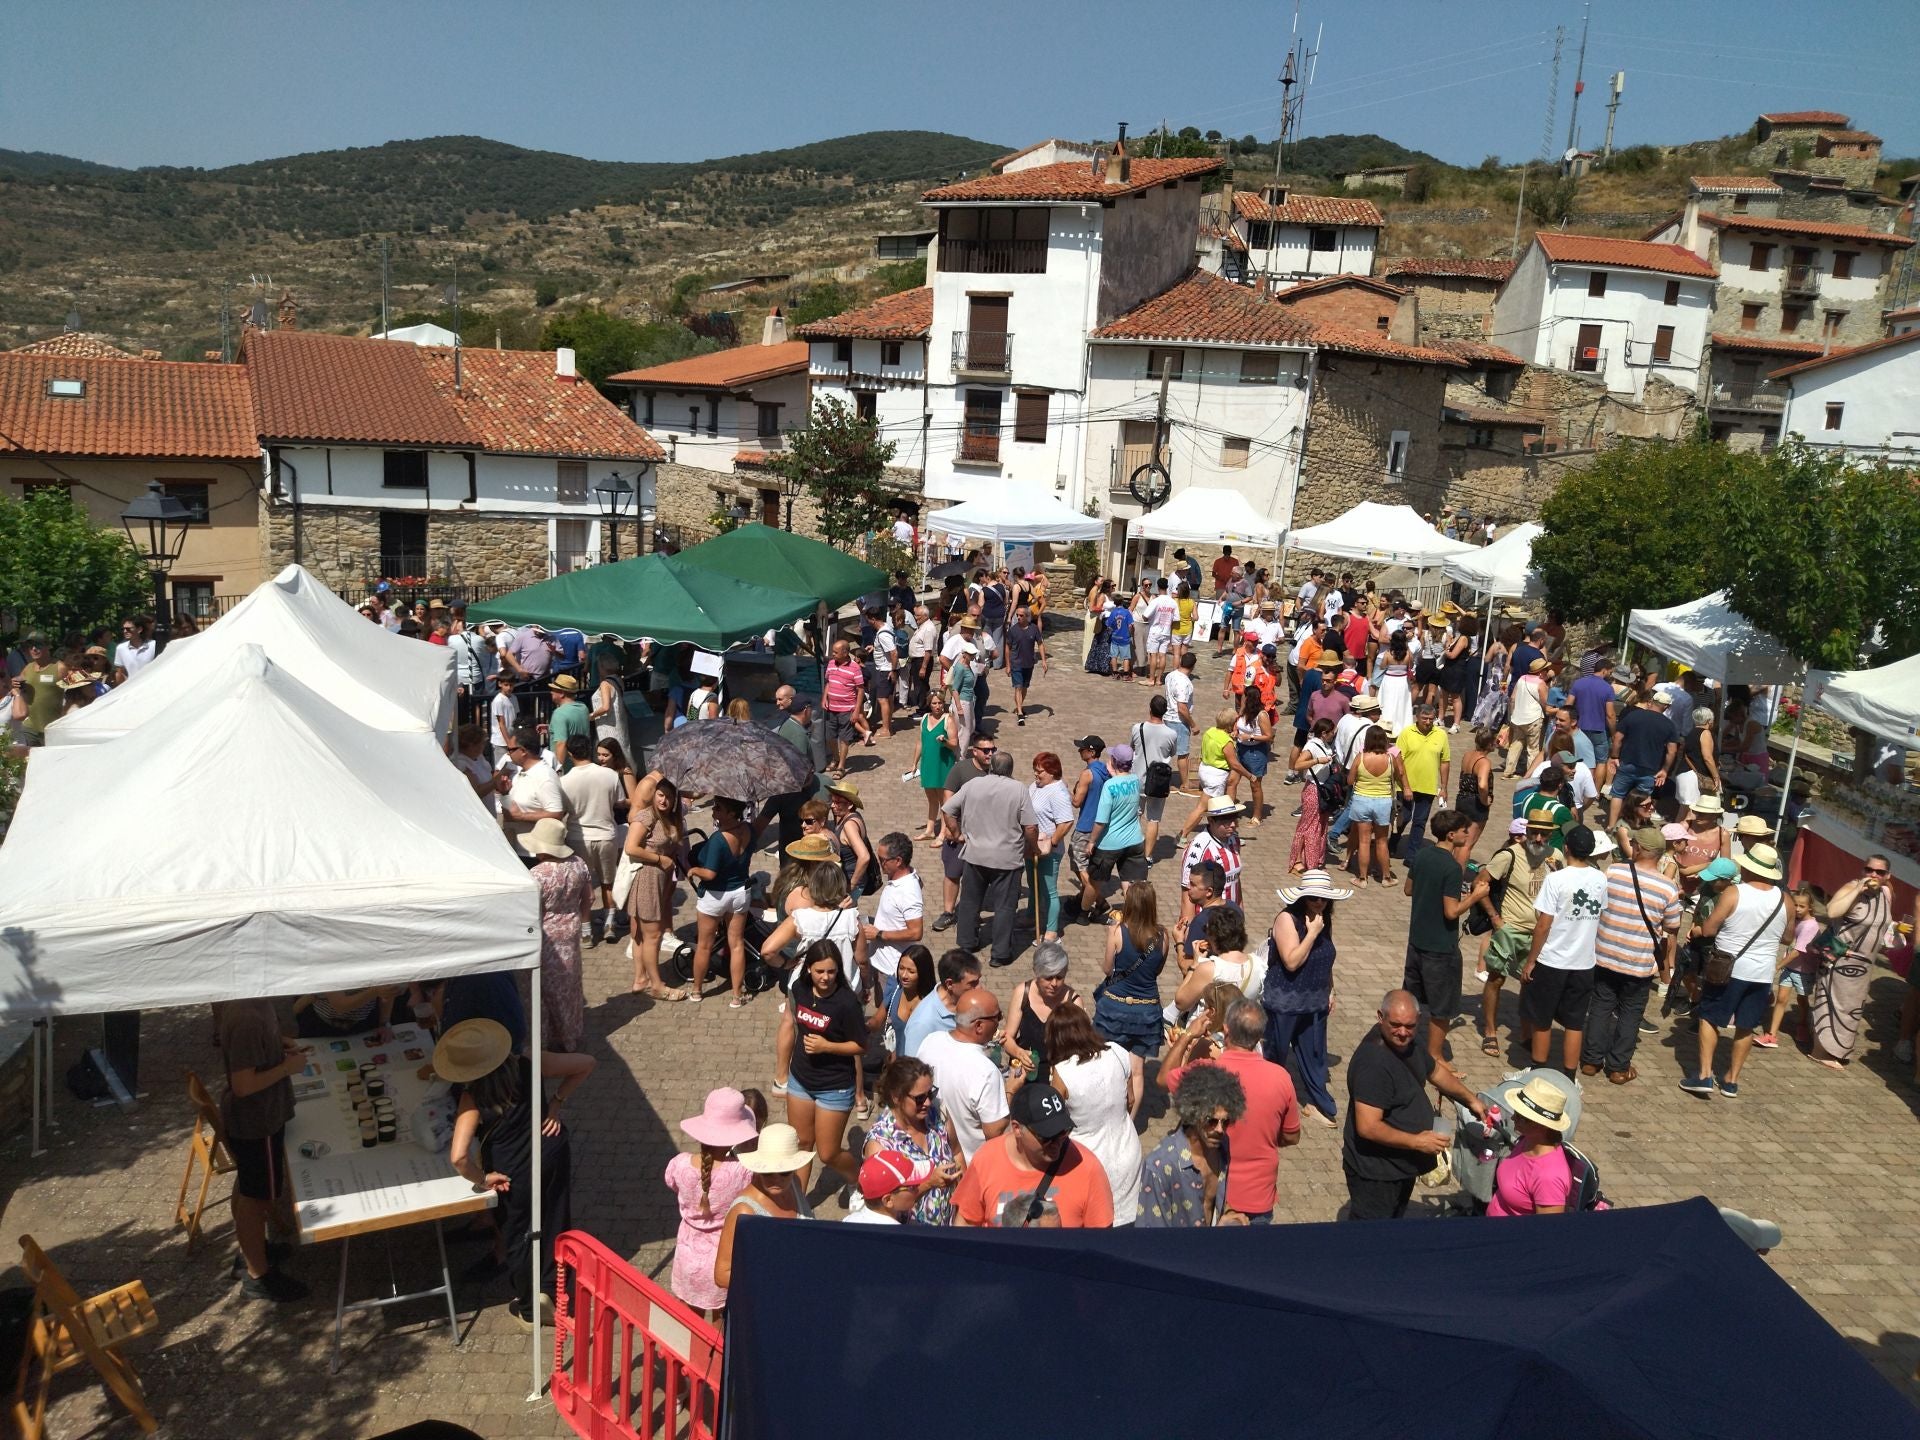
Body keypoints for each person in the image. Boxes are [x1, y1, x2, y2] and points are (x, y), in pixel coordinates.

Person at [440, 1019, 594, 1327]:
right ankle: (554, 1291)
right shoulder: (528, 1060)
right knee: (554, 1220)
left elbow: (458, 1157)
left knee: (519, 1236)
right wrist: (556, 1102)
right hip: (550, 1151)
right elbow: (587, 1063)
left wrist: (483, 1179)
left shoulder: (472, 1097)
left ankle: (530, 1306)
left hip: (512, 1171)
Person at [1342, 990, 1486, 1221]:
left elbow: (1436, 1071)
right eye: (1396, 1025)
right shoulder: (1374, 1064)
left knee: (1393, 1222)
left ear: (1418, 1020)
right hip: (1377, 1173)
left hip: (1400, 1163)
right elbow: (1368, 1127)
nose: (1402, 1032)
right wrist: (1418, 1141)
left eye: (1409, 1026)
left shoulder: (1409, 1042)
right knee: (1371, 1238)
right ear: (1380, 1017)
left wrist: (1471, 1100)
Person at [1165, 997, 1302, 1221]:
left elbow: (1164, 1078)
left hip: (1208, 1190)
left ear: (1226, 1029)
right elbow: (1292, 1135)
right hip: (1257, 1195)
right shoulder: (1281, 1078)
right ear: (1259, 1036)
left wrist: (1188, 1036)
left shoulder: (1205, 1071)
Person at [216, 997, 310, 1302]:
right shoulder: (246, 1017)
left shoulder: (254, 1004)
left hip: (262, 1117)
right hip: (258, 1121)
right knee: (256, 1197)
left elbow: (250, 1053)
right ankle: (258, 1276)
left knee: (254, 1190)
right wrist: (287, 1067)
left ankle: (255, 1250)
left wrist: (278, 1045)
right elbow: (243, 1085)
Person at [1681, 842, 1789, 1099]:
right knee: (1746, 1026)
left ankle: (1705, 1074)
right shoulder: (1786, 900)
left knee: (1708, 1016)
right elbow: (1787, 937)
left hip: (1728, 967)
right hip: (1762, 973)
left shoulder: (1734, 893)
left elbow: (1708, 929)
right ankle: (1731, 1080)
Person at [1583, 827, 1683, 1084]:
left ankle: (1591, 1061)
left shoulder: (1614, 872)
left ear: (1637, 848)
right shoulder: (1668, 887)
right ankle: (1618, 1067)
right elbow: (1672, 927)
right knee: (1630, 1012)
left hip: (1605, 953)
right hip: (1639, 961)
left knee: (1601, 1006)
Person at [953, 1082, 1114, 1228]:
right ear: (1017, 1129)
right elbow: (966, 1224)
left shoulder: (1087, 1167)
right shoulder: (986, 1160)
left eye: (1063, 1131)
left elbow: (1101, 1243)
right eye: (1047, 1136)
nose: (1057, 1142)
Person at [1263, 871, 1352, 1126]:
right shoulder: (1286, 919)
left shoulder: (1323, 920)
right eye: (1313, 898)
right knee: (1275, 1056)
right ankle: (1269, 1107)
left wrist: (1331, 989)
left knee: (1315, 1055)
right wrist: (1312, 933)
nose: (1319, 903)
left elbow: (1326, 958)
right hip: (1285, 1002)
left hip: (1315, 1002)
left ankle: (1318, 1104)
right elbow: (1291, 962)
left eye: (1324, 898)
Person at [1520, 825, 1611, 1076]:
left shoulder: (1556, 879)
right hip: (1583, 962)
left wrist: (1530, 961)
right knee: (1574, 1022)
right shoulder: (1600, 879)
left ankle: (1538, 1071)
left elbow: (1543, 924)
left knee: (1541, 1019)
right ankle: (1569, 1076)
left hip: (1552, 960)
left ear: (1566, 848)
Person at [1403, 809, 1491, 1061]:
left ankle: (1407, 1047)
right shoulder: (1452, 868)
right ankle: (1436, 1058)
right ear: (1452, 835)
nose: (1468, 834)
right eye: (1465, 831)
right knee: (1441, 1009)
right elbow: (1451, 912)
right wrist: (1475, 896)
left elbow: (1409, 889)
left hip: (1416, 941)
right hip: (1440, 948)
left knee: (1414, 1000)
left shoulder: (1421, 855)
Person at [1045, 1001, 1143, 1224]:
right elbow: (1131, 1099)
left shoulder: (1061, 1073)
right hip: (1126, 1149)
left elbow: (1053, 1123)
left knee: (1096, 1221)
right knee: (1128, 1218)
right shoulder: (1117, 1052)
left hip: (1086, 1159)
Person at [784, 940, 868, 1194]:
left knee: (828, 1153)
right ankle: (798, 1202)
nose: (826, 977)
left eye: (831, 971)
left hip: (835, 1086)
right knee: (801, 1144)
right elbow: (795, 1022)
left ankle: (861, 1182)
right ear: (808, 968)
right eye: (820, 971)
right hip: (800, 1078)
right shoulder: (799, 989)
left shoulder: (846, 1003)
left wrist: (827, 1047)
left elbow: (861, 1045)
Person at [664, 1089, 758, 1314]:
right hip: (722, 1258)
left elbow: (671, 1183)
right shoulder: (743, 1170)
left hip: (687, 1256)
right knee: (719, 1323)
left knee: (690, 1321)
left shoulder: (680, 1163)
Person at [942, 751, 1038, 969]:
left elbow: (948, 810)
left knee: (969, 902)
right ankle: (1000, 953)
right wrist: (1031, 847)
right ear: (1011, 769)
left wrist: (957, 835)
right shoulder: (1019, 789)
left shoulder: (974, 784)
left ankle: (966, 944)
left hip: (975, 855)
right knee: (1004, 907)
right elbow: (1030, 826)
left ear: (991, 767)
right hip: (1007, 858)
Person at [1475, 814, 1556, 1056]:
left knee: (1530, 983)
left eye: (1544, 834)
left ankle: (1525, 1033)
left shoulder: (1556, 856)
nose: (1538, 838)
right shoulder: (1509, 855)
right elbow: (1480, 884)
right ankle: (1490, 1031)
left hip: (1540, 933)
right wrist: (1495, 919)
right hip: (1510, 929)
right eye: (1534, 833)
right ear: (1527, 831)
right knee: (1496, 979)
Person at [1806, 856, 1894, 1069]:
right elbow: (1832, 911)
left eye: (1879, 872)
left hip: (1865, 964)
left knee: (1851, 1007)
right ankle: (1820, 1051)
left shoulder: (1886, 893)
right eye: (1869, 869)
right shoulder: (1851, 887)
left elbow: (1883, 923)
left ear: (1887, 876)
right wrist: (1858, 890)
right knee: (1831, 1002)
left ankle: (1839, 1049)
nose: (1873, 874)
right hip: (1840, 958)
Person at [1137, 1063, 1247, 1228]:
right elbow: (1151, 1237)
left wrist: (1228, 1216)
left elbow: (1215, 1202)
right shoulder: (1159, 1167)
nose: (1220, 1129)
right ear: (1193, 1114)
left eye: (1226, 1122)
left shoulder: (1222, 1146)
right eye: (1211, 1121)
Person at [712, 1124, 815, 1294]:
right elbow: (722, 1274)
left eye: (784, 1172)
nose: (776, 1179)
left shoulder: (794, 1185)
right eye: (767, 1172)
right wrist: (778, 1280)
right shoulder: (744, 1211)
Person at [862, 1056, 962, 1226]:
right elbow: (884, 1206)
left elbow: (957, 1154)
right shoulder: (880, 1146)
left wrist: (963, 1207)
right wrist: (929, 1184)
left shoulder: (938, 1114)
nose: (928, 1102)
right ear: (896, 1097)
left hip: (950, 1227)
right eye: (919, 1098)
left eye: (931, 1093)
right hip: (912, 1237)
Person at [915, 987, 1009, 1162]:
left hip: (932, 1157)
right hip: (969, 1166)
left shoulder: (931, 1040)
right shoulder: (986, 1072)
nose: (1000, 1021)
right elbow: (994, 1132)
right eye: (997, 1017)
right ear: (979, 1026)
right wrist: (1011, 1090)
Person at [523, 818, 590, 1053]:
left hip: (546, 935)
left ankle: (545, 1038)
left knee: (542, 989)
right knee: (568, 984)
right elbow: (588, 898)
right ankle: (569, 1035)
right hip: (570, 930)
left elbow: (531, 911)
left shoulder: (537, 875)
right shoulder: (579, 864)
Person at [623, 771, 689, 1001]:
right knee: (652, 936)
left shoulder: (669, 818)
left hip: (661, 881)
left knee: (644, 934)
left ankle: (640, 979)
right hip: (649, 879)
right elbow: (631, 847)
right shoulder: (646, 816)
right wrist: (660, 859)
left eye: (669, 797)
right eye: (660, 795)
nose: (663, 800)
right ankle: (657, 985)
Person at [1092, 882, 1170, 1070]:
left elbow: (1107, 969)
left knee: (1108, 1065)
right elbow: (1157, 970)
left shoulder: (1117, 931)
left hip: (1115, 1006)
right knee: (1137, 1072)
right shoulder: (1163, 935)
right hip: (1147, 1010)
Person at [687, 796, 754, 1008]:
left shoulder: (718, 839)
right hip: (740, 893)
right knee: (736, 944)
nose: (713, 809)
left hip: (715, 896)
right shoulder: (747, 830)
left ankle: (697, 990)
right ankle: (737, 995)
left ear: (731, 813)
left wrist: (695, 870)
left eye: (719, 807)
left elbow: (710, 873)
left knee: (704, 946)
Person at [558, 737, 626, 946]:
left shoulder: (564, 781)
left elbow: (562, 811)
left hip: (578, 837)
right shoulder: (610, 775)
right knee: (608, 883)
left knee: (581, 886)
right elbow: (620, 802)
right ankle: (610, 924)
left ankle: (586, 932)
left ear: (570, 754)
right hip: (606, 835)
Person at [1485, 1076, 1575, 1217]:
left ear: (1541, 1125)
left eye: (1521, 1116)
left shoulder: (1549, 1178)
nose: (1513, 1118)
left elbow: (1546, 1232)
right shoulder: (1528, 1140)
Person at [1004, 941, 1083, 1084]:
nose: (1054, 983)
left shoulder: (1073, 1002)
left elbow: (1080, 1046)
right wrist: (1019, 1053)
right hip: (1026, 1071)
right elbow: (1007, 1037)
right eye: (1048, 977)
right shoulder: (1023, 993)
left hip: (1058, 1075)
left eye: (1059, 977)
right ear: (1036, 972)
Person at [1760, 884, 1825, 1052]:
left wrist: (1778, 965)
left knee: (1802, 1000)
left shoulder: (1810, 926)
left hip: (1804, 970)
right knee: (1781, 999)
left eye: (1801, 906)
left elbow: (1797, 951)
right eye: (1795, 905)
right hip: (1790, 969)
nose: (1797, 909)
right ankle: (1771, 1034)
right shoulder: (1796, 921)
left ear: (1810, 907)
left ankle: (1803, 1024)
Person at [1606, 687, 1678, 828]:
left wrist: (1614, 756)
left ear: (1651, 701)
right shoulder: (1669, 725)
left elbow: (1618, 739)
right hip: (1650, 767)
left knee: (1618, 795)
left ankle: (1611, 825)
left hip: (1627, 762)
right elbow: (1672, 751)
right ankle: (1638, 825)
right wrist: (1665, 770)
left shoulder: (1633, 716)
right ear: (1667, 707)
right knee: (1644, 798)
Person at [1086, 742, 1148, 904]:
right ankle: (1132, 916)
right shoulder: (1135, 780)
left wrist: (1091, 841)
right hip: (1134, 840)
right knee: (1130, 884)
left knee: (1094, 883)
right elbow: (1124, 783)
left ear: (1113, 761)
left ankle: (1084, 912)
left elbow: (1101, 820)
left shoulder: (1109, 786)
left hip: (1109, 843)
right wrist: (1115, 773)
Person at [862, 831, 924, 988]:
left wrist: (879, 934)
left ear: (898, 861)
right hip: (879, 961)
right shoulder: (902, 875)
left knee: (887, 1011)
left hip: (890, 968)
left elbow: (916, 932)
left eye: (882, 861)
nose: (880, 864)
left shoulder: (908, 891)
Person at [1348, 725, 1405, 886]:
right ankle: (1386, 877)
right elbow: (1397, 776)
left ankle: (1362, 878)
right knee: (1381, 841)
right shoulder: (1390, 758)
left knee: (1364, 841)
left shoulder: (1360, 757)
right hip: (1383, 802)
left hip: (1362, 800)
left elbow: (1350, 780)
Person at [899, 948, 982, 1058]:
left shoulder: (967, 999)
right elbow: (913, 1070)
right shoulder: (922, 1024)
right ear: (949, 984)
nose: (979, 988)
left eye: (978, 981)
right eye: (972, 983)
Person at [1394, 704, 1452, 861]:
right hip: (1406, 785)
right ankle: (1394, 841)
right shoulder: (1406, 733)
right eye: (1424, 718)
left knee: (1420, 822)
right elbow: (1399, 761)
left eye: (1431, 719)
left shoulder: (1441, 735)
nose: (1427, 722)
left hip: (1428, 787)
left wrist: (1444, 787)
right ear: (1417, 718)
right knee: (1403, 818)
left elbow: (1445, 761)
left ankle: (1411, 855)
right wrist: (1405, 786)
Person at [1027, 753, 1074, 941]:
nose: (1036, 775)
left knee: (1049, 890)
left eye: (1040, 772)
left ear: (1052, 772)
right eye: (1035, 771)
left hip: (1049, 851)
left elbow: (1066, 822)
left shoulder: (1057, 792)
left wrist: (1052, 842)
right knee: (1032, 883)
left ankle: (1052, 930)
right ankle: (1031, 916)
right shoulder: (1036, 785)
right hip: (1031, 845)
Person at [1286, 716, 1339, 874]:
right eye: (1331, 733)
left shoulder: (1325, 744)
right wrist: (1317, 761)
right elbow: (1297, 764)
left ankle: (1314, 861)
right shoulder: (1312, 746)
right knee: (1307, 827)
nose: (1333, 735)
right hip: (1313, 789)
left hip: (1323, 790)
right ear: (1324, 733)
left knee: (1320, 826)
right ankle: (1298, 861)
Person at [501, 726, 564, 855]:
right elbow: (515, 810)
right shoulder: (522, 772)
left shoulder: (545, 776)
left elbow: (556, 814)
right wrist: (505, 793)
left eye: (511, 750)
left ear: (523, 751)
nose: (508, 754)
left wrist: (521, 817)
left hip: (536, 854)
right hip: (518, 850)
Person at [1130, 697, 1178, 856]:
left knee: (1135, 816)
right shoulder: (1171, 733)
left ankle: (1132, 852)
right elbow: (1172, 753)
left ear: (1150, 709)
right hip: (1159, 781)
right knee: (1153, 819)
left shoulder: (1138, 728)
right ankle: (1148, 856)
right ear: (1165, 712)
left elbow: (1133, 747)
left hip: (1138, 778)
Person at [872, 943, 934, 1061]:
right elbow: (877, 1019)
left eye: (911, 971)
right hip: (899, 1064)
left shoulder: (932, 1002)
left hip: (922, 1066)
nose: (904, 975)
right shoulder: (895, 987)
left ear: (923, 973)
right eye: (901, 968)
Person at [1569, 656, 1619, 791]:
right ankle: (1595, 791)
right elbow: (1610, 714)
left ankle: (1573, 785)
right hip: (1598, 729)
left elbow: (1568, 705)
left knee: (1576, 757)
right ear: (1604, 670)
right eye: (1609, 672)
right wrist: (1614, 733)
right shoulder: (1608, 689)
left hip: (1579, 727)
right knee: (1601, 761)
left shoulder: (1578, 683)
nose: (1610, 674)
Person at [914, 692, 957, 841]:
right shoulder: (925, 718)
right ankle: (929, 830)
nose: (937, 706)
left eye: (940, 703)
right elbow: (920, 742)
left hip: (943, 765)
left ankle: (943, 833)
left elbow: (954, 744)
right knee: (931, 799)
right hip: (928, 763)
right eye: (934, 703)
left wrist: (944, 741)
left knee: (943, 801)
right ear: (929, 704)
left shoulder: (948, 720)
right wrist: (914, 763)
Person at [1230, 687, 1275, 828]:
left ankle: (1257, 816)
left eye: (1243, 697)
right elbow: (1238, 725)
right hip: (1240, 750)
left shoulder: (1261, 715)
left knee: (1255, 784)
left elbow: (1269, 735)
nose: (1240, 699)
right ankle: (1229, 812)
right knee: (1232, 781)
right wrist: (1235, 731)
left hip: (1255, 752)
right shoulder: (1243, 711)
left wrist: (1249, 737)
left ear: (1248, 698)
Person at [826, 780, 874, 900]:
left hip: (850, 882)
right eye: (832, 801)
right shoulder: (852, 816)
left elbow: (864, 856)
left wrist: (851, 884)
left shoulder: (849, 825)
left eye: (837, 802)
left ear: (850, 805)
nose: (832, 805)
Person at [1504, 657, 1550, 777]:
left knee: (1515, 744)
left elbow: (1512, 698)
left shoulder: (1521, 679)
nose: (1547, 671)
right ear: (1541, 672)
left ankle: (1508, 771)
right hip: (1533, 719)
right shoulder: (1541, 684)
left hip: (1518, 717)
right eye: (1546, 669)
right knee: (1533, 749)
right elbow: (1546, 703)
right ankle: (1531, 774)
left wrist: (1513, 713)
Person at [1003, 604, 1048, 726]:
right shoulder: (1013, 630)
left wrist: (1044, 660)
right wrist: (1008, 665)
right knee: (1018, 686)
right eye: (1017, 615)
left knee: (1024, 687)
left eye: (1021, 615)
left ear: (1027, 616)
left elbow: (1040, 644)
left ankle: (1019, 706)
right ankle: (1020, 713)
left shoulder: (1034, 629)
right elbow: (1007, 647)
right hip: (1016, 663)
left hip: (1029, 663)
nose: (1018, 617)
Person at [1165, 652, 1198, 791]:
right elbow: (1182, 708)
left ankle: (1164, 781)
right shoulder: (1185, 683)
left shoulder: (1170, 675)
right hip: (1178, 721)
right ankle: (1185, 784)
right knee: (1183, 754)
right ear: (1193, 666)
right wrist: (1193, 724)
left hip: (1166, 717)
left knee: (1165, 753)